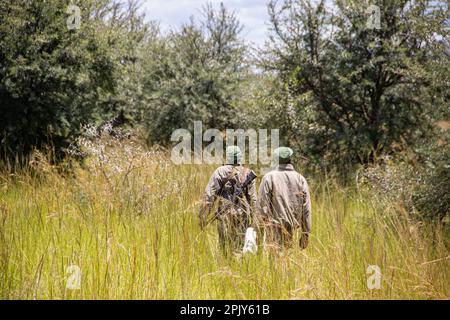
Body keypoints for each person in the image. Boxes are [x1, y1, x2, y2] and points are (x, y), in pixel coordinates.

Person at [199, 146, 257, 254]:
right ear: (240, 158)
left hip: (224, 215)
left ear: (228, 157)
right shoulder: (247, 172)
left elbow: (209, 196)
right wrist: (254, 220)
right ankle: (238, 267)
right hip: (243, 216)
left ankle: (226, 265)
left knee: (224, 247)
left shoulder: (220, 171)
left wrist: (203, 215)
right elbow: (253, 199)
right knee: (239, 247)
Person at [257, 147, 311, 249]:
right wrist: (305, 234)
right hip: (291, 227)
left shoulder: (269, 177)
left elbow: (262, 204)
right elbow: (306, 209)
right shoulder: (300, 179)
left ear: (276, 160)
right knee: (286, 256)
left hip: (272, 227)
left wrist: (259, 229)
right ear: (290, 158)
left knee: (274, 258)